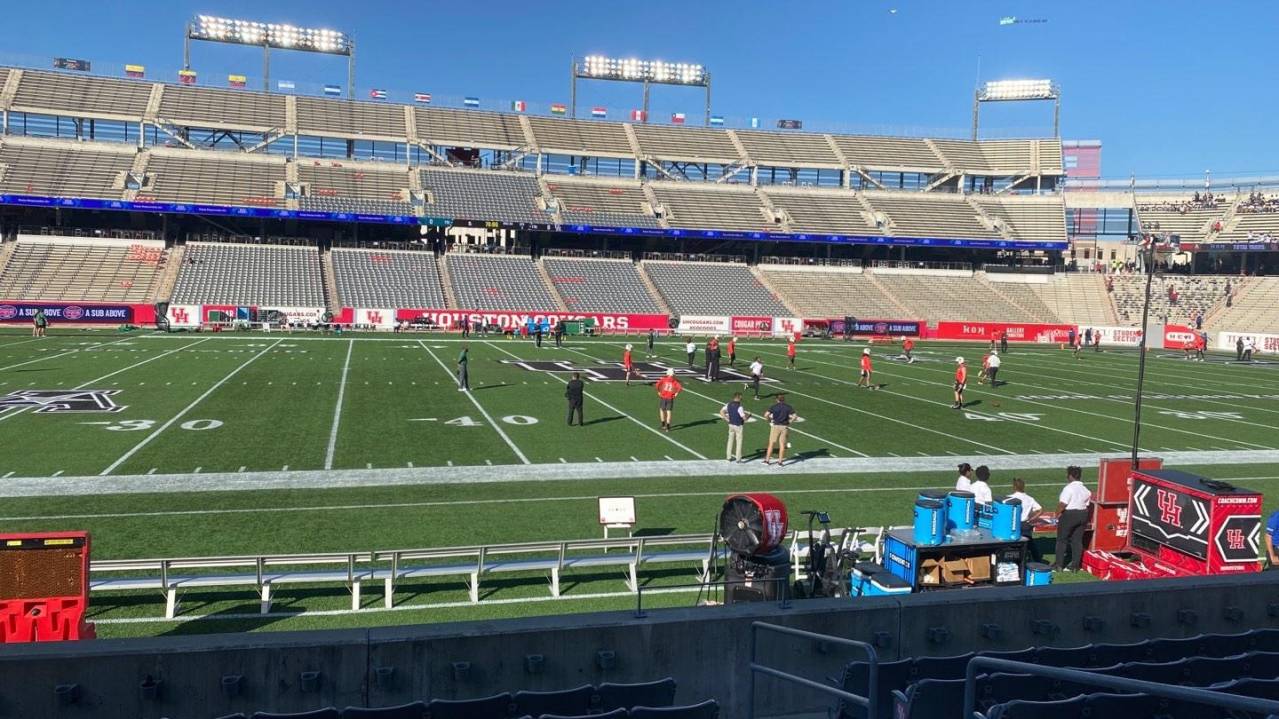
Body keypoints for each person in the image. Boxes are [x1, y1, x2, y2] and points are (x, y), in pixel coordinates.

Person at [1053, 465, 1092, 572]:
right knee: (1077, 540)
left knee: (1062, 540)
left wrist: (1056, 514)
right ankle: (1075, 565)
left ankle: (1059, 564)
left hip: (1070, 515)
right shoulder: (1085, 489)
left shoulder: (1068, 488)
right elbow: (1087, 503)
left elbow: (1063, 504)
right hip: (1083, 514)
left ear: (1070, 476)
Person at [1010, 477, 1045, 563]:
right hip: (1025, 524)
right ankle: (1037, 560)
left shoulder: (1010, 498)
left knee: (1012, 543)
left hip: (1014, 523)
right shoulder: (1029, 499)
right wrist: (1032, 518)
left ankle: (1014, 560)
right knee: (1029, 543)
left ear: (1014, 487)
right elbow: (1040, 510)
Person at [763, 393, 797, 466]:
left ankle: (767, 460)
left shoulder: (774, 406)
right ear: (783, 400)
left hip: (776, 426)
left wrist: (769, 421)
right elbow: (795, 416)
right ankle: (780, 462)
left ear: (777, 400)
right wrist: (789, 422)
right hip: (784, 427)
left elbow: (766, 415)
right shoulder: (788, 407)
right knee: (782, 444)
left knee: (771, 443)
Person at [719, 391, 751, 463]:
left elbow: (721, 411)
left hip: (731, 424)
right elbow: (744, 419)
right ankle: (738, 458)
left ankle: (728, 457)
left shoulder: (729, 404)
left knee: (730, 440)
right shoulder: (740, 407)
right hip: (738, 425)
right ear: (739, 398)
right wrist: (749, 415)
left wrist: (726, 419)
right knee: (739, 442)